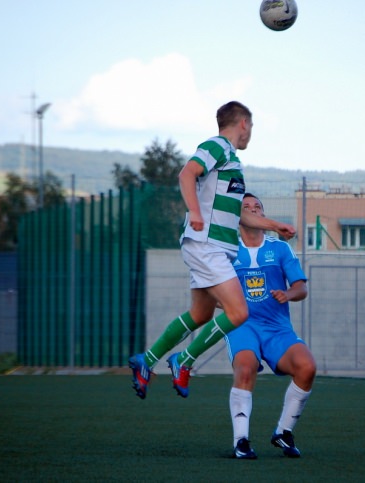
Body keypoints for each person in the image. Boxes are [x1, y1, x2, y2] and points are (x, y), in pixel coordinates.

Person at [128, 101, 296, 400]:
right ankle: (184, 361)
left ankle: (147, 361)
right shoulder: (217, 145)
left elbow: (238, 214)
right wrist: (194, 211)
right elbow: (186, 174)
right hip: (207, 245)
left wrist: (274, 225)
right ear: (243, 123)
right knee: (239, 311)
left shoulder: (231, 159)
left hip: (214, 247)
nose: (250, 134)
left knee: (201, 313)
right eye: (251, 127)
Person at [225, 193, 316, 460]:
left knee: (307, 367)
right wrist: (229, 304)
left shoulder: (280, 248)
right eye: (246, 208)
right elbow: (211, 293)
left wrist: (287, 294)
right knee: (245, 366)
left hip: (277, 327)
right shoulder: (228, 249)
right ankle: (241, 440)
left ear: (263, 215)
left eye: (258, 207)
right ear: (239, 217)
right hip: (243, 325)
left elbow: (301, 288)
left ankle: (283, 432)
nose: (253, 210)